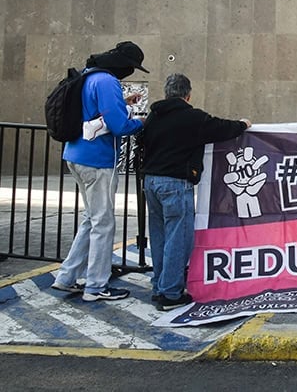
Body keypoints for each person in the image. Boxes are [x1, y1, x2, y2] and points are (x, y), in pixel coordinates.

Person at [139, 73, 252, 311]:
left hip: (151, 182)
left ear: (167, 93)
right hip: (175, 184)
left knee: (159, 236)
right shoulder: (192, 117)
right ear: (188, 95)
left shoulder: (154, 116)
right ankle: (171, 294)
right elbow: (223, 128)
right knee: (178, 239)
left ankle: (159, 286)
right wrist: (243, 124)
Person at [51, 41, 148, 301]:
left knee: (91, 219)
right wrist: (141, 122)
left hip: (75, 154)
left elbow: (92, 110)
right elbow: (119, 126)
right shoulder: (107, 81)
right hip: (97, 161)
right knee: (103, 224)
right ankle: (96, 286)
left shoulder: (88, 75)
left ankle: (66, 277)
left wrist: (123, 102)